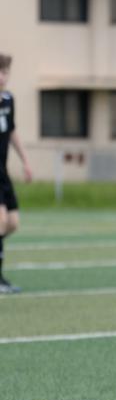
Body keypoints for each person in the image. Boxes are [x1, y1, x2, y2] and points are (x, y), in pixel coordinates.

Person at [0, 53, 33, 294]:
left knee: (12, 224)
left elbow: (11, 132)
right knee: (0, 222)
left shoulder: (8, 100)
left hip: (3, 172)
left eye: (5, 72)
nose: (2, 77)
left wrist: (25, 161)